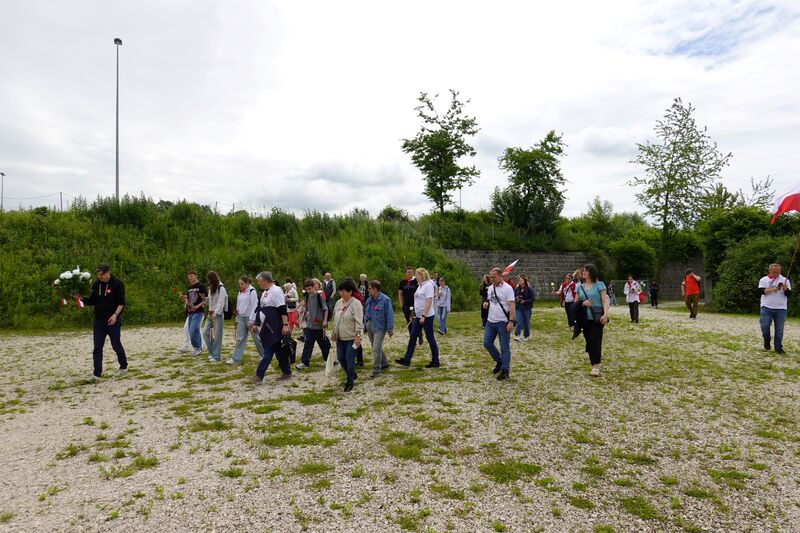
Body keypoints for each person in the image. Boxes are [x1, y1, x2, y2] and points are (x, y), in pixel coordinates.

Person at [75, 264, 128, 381]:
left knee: (116, 344)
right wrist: (80, 298)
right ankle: (97, 374)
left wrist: (115, 315)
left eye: (102, 274)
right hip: (99, 322)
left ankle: (123, 367)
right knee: (97, 347)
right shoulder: (96, 284)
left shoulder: (117, 283)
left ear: (108, 272)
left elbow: (121, 303)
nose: (100, 277)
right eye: (98, 275)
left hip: (113, 321)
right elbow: (92, 301)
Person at [251, 271, 292, 382]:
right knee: (277, 350)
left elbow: (282, 309)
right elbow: (262, 308)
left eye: (259, 281)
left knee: (269, 349)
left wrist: (285, 325)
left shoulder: (276, 291)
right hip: (267, 325)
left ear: (265, 280)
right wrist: (256, 322)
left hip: (274, 325)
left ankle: (259, 375)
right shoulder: (266, 292)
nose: (258, 283)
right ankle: (287, 371)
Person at [395, 268, 440, 368]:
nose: (415, 276)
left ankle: (435, 361)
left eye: (416, 274)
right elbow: (418, 302)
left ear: (422, 275)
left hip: (427, 316)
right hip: (418, 316)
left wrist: (423, 315)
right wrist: (415, 314)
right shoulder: (420, 286)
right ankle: (407, 359)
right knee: (413, 336)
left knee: (430, 338)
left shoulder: (428, 285)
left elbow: (429, 301)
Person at [483, 267, 516, 380]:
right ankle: (500, 361)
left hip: (503, 322)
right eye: (490, 277)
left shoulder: (508, 289)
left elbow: (512, 306)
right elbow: (489, 300)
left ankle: (505, 370)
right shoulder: (490, 288)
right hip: (491, 320)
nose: (491, 279)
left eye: (493, 277)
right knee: (487, 343)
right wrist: (486, 303)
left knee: (504, 347)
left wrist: (511, 321)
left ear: (500, 276)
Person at [576, 264, 609, 377]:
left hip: (597, 318)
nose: (583, 272)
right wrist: (583, 303)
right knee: (589, 341)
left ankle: (596, 366)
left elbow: (604, 300)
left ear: (592, 272)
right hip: (585, 319)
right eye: (583, 271)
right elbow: (575, 305)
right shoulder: (579, 287)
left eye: (586, 271)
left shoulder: (600, 285)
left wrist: (605, 314)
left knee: (595, 340)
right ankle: (594, 362)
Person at [331, 278, 363, 392]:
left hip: (352, 338)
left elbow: (359, 322)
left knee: (349, 360)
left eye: (343, 291)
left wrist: (358, 337)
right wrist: (334, 330)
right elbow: (336, 318)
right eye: (340, 291)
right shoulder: (338, 303)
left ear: (350, 291)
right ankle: (352, 373)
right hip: (340, 337)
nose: (341, 293)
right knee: (341, 358)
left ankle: (349, 382)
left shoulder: (356, 304)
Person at [229, 275, 264, 365]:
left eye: (242, 284)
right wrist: (237, 317)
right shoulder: (240, 291)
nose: (241, 285)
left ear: (247, 283)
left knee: (257, 338)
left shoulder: (252, 291)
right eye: (239, 284)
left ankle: (264, 355)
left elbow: (254, 306)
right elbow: (238, 304)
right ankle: (236, 358)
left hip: (249, 317)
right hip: (241, 317)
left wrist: (252, 320)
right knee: (240, 338)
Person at [296, 278, 330, 370]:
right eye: (306, 289)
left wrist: (325, 321)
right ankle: (304, 362)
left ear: (314, 287)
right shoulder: (307, 297)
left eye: (310, 288)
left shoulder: (319, 296)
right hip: (310, 326)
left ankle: (329, 360)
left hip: (319, 325)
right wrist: (304, 317)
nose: (308, 291)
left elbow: (325, 309)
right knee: (308, 345)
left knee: (324, 345)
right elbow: (307, 310)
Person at [758, 263, 792, 355]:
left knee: (779, 330)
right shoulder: (764, 280)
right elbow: (761, 291)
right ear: (770, 271)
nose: (775, 274)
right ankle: (767, 339)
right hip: (766, 307)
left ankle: (778, 348)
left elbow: (789, 294)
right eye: (773, 272)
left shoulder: (785, 280)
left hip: (781, 308)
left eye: (777, 272)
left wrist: (786, 289)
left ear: (780, 271)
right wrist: (773, 289)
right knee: (764, 325)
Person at [364, 280, 394, 377]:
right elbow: (366, 313)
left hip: (380, 327)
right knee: (375, 346)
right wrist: (365, 324)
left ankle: (376, 370)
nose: (368, 290)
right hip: (370, 326)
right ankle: (384, 363)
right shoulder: (369, 300)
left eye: (369, 288)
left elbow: (389, 315)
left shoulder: (385, 300)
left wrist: (390, 329)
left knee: (376, 348)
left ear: (375, 289)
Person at [202, 271, 228, 363]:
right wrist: (204, 299)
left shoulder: (221, 288)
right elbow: (210, 301)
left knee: (217, 335)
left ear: (212, 279)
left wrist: (216, 313)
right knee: (205, 332)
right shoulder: (211, 288)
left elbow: (221, 302)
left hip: (218, 314)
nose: (208, 281)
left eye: (208, 279)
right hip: (210, 313)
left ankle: (216, 356)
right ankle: (212, 352)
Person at [184, 270, 207, 356]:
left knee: (194, 329)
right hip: (191, 312)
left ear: (196, 276)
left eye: (192, 275)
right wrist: (186, 300)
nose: (190, 277)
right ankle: (196, 347)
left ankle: (198, 347)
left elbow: (205, 300)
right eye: (189, 276)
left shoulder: (201, 286)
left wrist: (197, 306)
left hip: (198, 312)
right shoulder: (189, 288)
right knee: (191, 330)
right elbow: (189, 299)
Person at [513, 274, 534, 341]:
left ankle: (526, 336)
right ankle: (517, 335)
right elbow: (513, 296)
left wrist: (525, 301)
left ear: (524, 281)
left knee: (526, 322)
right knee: (518, 321)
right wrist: (517, 299)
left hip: (527, 308)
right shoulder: (516, 289)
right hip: (519, 307)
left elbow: (532, 299)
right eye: (519, 280)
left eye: (521, 280)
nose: (520, 281)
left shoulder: (529, 289)